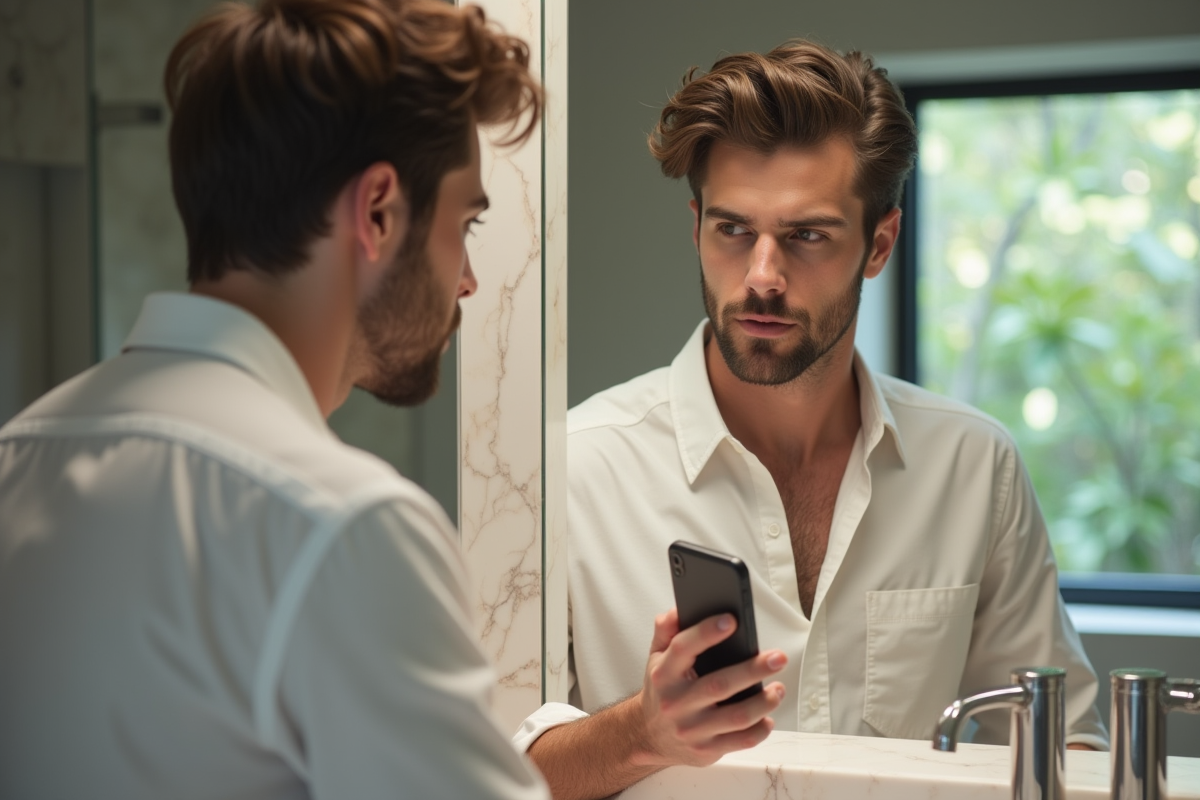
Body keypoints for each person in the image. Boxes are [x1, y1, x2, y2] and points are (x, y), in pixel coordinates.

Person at [514, 40, 1108, 800]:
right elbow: (483, 771)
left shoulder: (973, 465)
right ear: (696, 229)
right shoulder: (578, 467)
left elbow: (1067, 745)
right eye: (733, 230)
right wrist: (641, 734)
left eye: (807, 236)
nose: (762, 276)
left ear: (879, 244)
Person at [0, 1, 550, 798]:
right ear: (378, 211)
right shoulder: (341, 528)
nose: (467, 279)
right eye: (464, 224)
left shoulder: (15, 459)